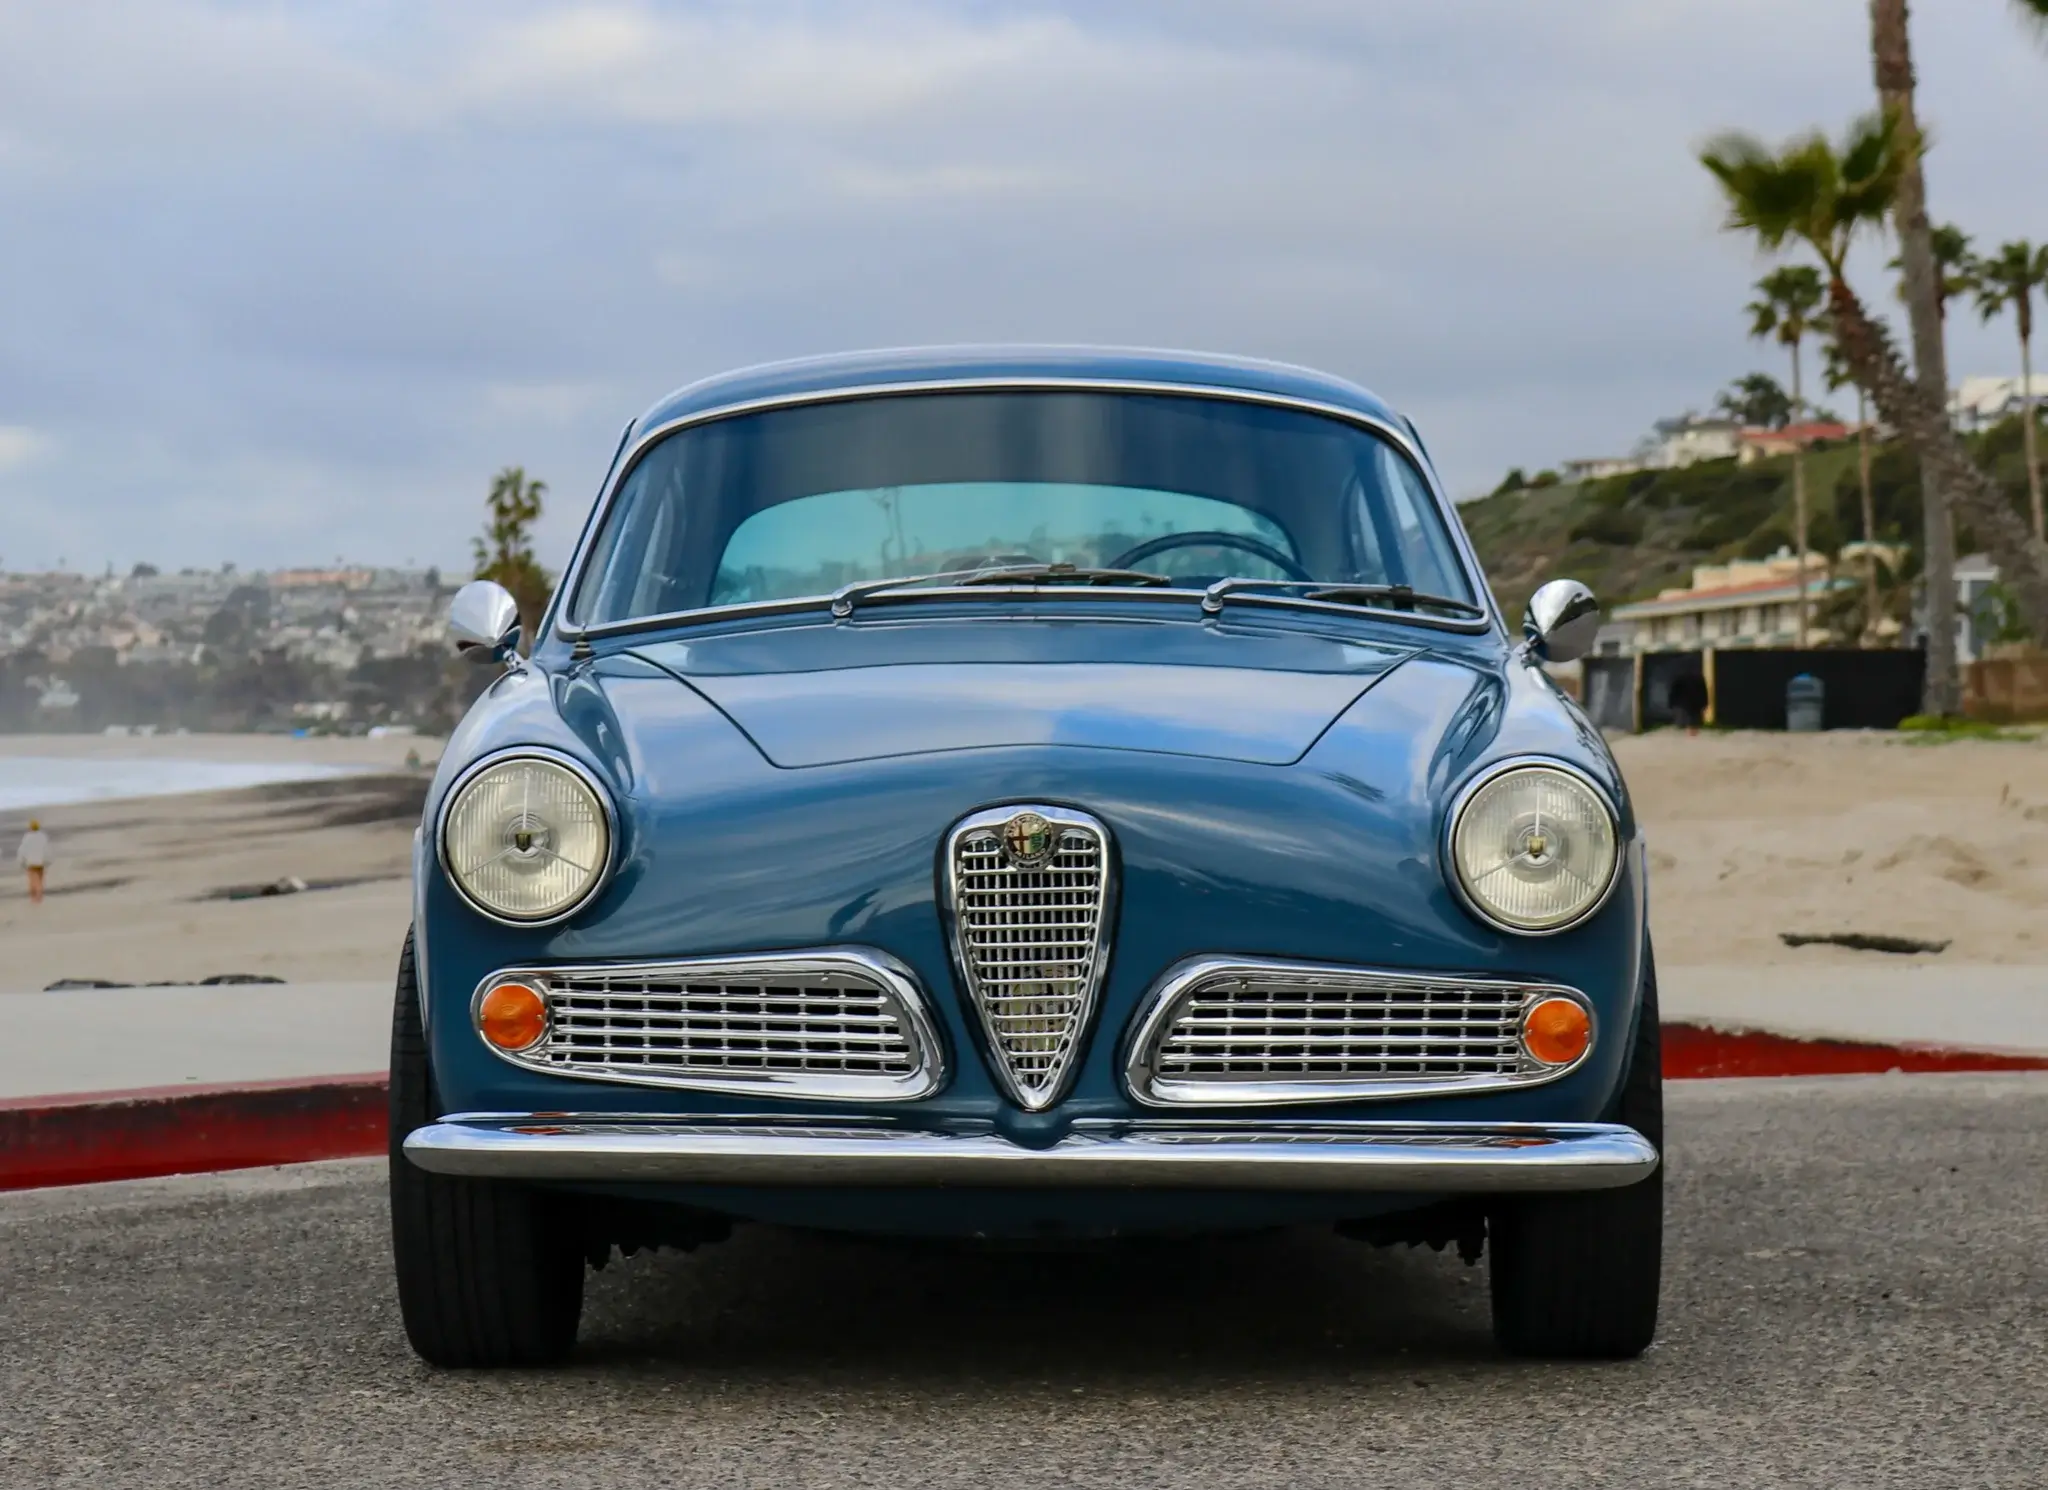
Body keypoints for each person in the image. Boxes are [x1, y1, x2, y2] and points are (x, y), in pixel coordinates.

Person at [17, 818, 50, 905]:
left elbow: (22, 850)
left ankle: (33, 897)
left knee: (32, 880)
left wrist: (21, 861)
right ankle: (39, 897)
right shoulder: (43, 837)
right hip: (40, 862)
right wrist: (48, 860)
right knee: (40, 880)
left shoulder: (26, 837)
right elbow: (47, 849)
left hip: (30, 862)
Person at [1667, 671, 1710, 736]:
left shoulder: (1679, 680)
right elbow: (1703, 693)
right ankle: (1692, 730)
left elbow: (1673, 693)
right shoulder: (1697, 680)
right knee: (1692, 718)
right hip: (1693, 704)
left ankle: (1690, 730)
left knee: (1689, 718)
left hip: (1686, 704)